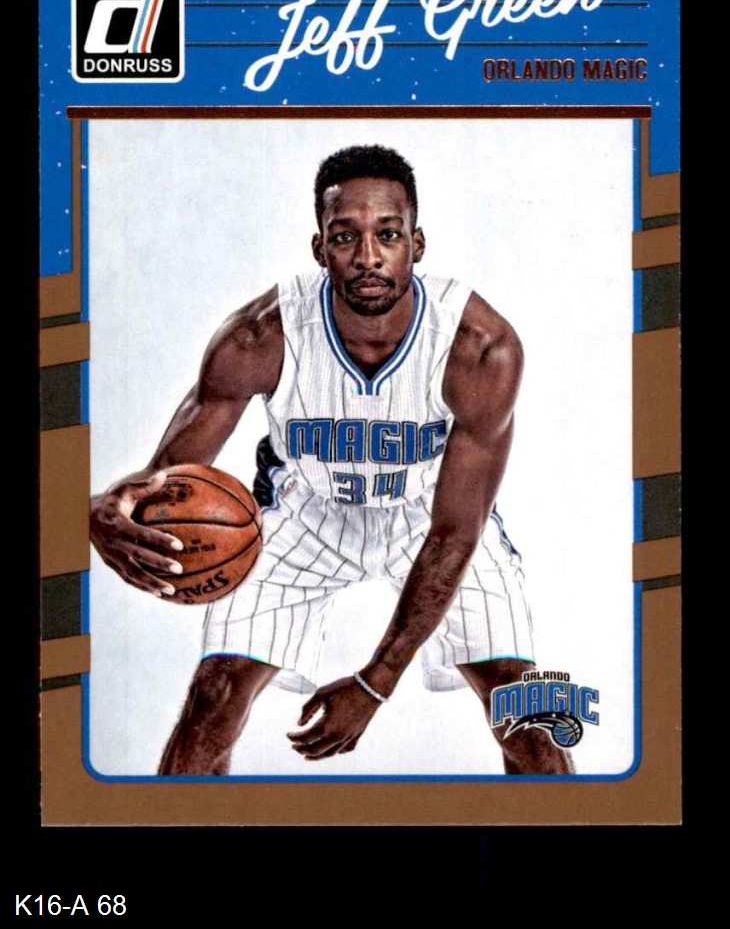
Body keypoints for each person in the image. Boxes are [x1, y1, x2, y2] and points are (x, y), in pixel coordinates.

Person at [90, 144, 572, 776]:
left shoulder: (481, 348)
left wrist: (375, 683)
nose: (368, 257)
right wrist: (103, 509)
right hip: (305, 510)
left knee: (525, 709)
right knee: (214, 697)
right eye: (345, 236)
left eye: (388, 235)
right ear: (320, 248)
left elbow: (456, 531)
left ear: (417, 244)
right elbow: (165, 483)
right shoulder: (258, 337)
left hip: (431, 512)